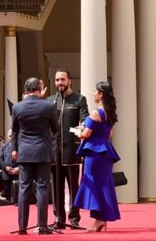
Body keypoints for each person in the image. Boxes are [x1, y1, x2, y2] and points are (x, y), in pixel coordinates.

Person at [11, 77, 60, 235]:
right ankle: (43, 226)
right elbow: (56, 128)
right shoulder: (48, 106)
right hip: (42, 152)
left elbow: (14, 131)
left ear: (25, 90)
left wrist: (14, 149)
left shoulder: (17, 107)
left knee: (23, 189)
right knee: (43, 188)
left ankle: (22, 227)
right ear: (40, 88)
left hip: (24, 152)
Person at [74, 81, 121, 232]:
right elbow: (110, 134)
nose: (93, 93)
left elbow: (85, 134)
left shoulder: (96, 113)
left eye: (95, 91)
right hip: (105, 153)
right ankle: (101, 220)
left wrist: (77, 133)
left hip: (95, 154)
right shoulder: (109, 113)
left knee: (93, 184)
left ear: (101, 94)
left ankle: (99, 220)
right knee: (103, 185)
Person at [49, 69, 88, 230]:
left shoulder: (79, 99)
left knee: (74, 186)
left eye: (62, 80)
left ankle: (74, 218)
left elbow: (85, 120)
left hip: (72, 150)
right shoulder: (50, 101)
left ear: (69, 81)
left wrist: (83, 126)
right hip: (53, 150)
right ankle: (58, 217)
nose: (59, 83)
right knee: (56, 186)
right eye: (57, 80)